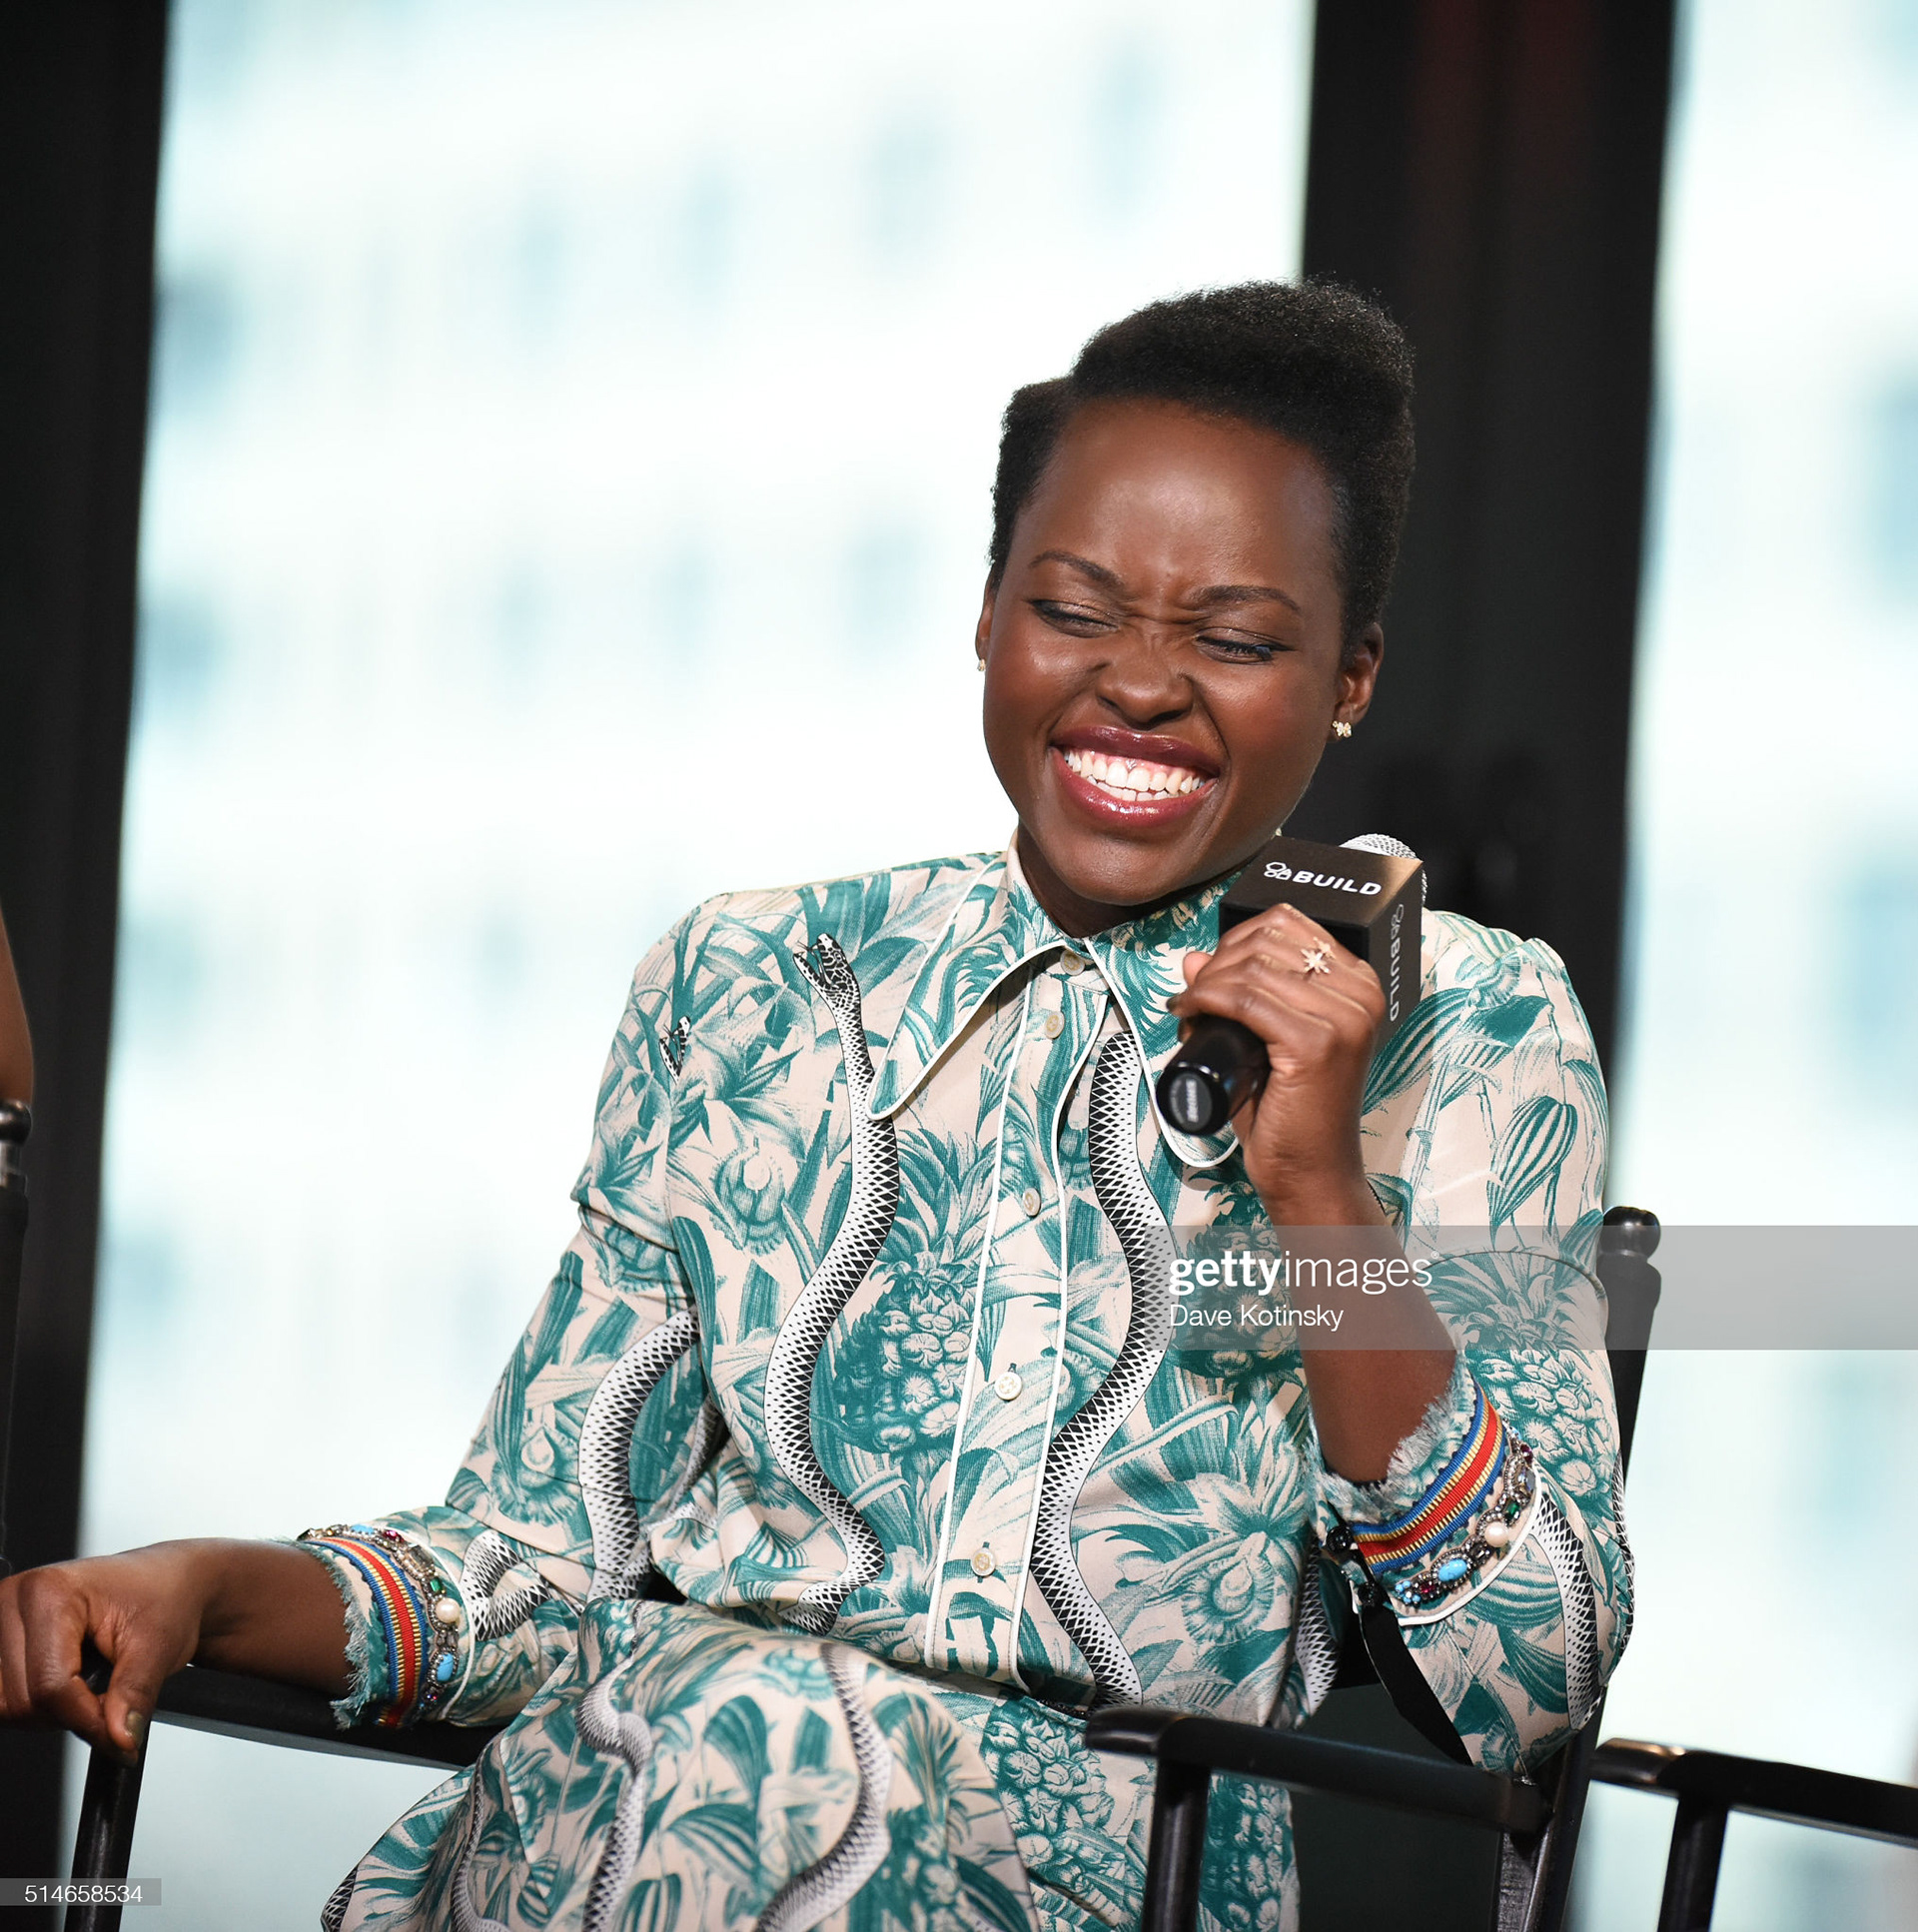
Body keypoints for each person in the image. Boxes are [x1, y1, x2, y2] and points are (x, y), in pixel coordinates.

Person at [0, 284, 1629, 1932]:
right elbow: (540, 1563)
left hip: (1112, 1870)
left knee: (756, 1736)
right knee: (730, 1736)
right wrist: (202, 1581)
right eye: (1074, 607)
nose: (1139, 685)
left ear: (1351, 674)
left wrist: (1319, 1189)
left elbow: (1533, 1678)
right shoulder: (748, 980)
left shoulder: (1475, 1028)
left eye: (1234, 638)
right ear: (987, 612)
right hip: (634, 1808)